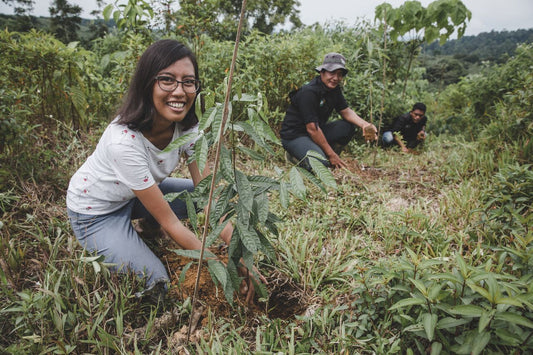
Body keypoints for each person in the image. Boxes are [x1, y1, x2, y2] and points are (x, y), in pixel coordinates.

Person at [66, 39, 264, 305]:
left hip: (136, 195)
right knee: (156, 283)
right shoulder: (123, 142)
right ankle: (126, 234)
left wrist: (238, 254)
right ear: (148, 84)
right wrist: (222, 266)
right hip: (97, 213)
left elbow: (210, 198)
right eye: (168, 80)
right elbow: (171, 223)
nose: (179, 91)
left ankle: (147, 222)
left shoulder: (187, 128)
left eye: (188, 81)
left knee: (198, 194)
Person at [280, 52, 378, 170]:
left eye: (340, 74)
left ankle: (324, 155)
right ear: (322, 72)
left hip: (316, 132)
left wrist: (365, 124)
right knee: (320, 165)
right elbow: (312, 129)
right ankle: (295, 156)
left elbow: (346, 111)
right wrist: (331, 155)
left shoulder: (334, 89)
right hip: (295, 136)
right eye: (332, 73)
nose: (336, 78)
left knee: (347, 127)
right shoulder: (309, 92)